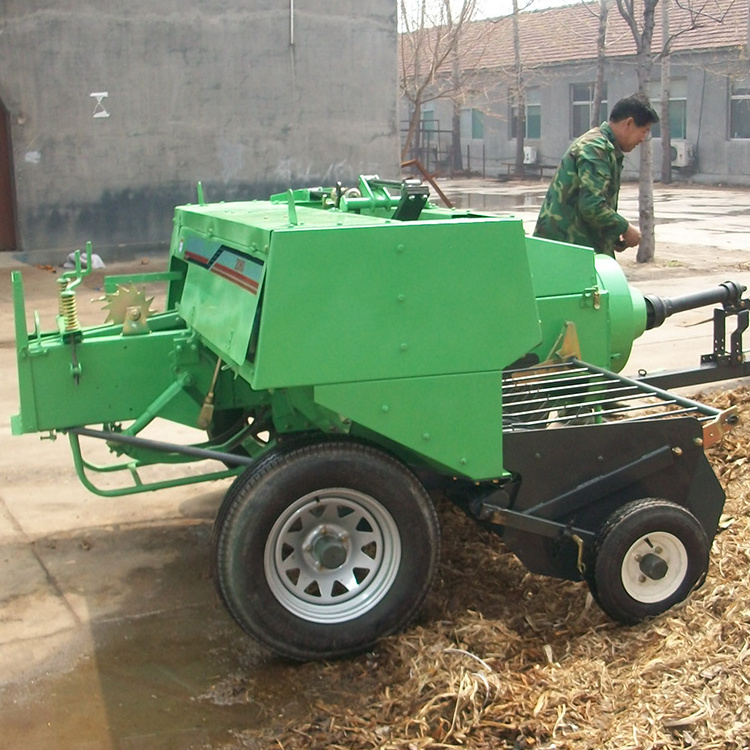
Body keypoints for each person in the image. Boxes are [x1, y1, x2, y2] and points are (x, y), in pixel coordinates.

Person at [534, 94, 659, 258]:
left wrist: (611, 234)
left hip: (576, 249)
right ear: (628, 123)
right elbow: (592, 206)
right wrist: (625, 229)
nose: (643, 139)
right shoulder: (595, 148)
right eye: (644, 131)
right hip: (564, 252)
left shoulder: (604, 147)